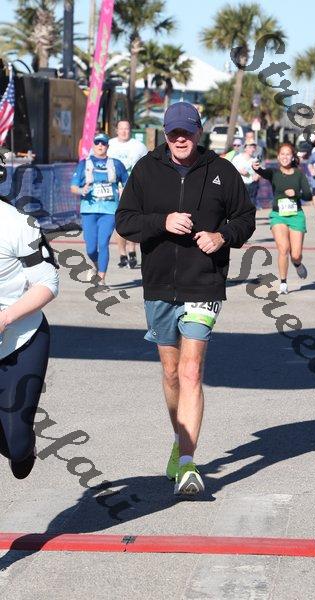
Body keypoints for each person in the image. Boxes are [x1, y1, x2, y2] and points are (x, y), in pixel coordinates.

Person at [116, 101, 255, 496]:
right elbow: (124, 221)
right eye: (173, 133)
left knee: (192, 371)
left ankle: (189, 463)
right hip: (159, 284)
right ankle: (180, 440)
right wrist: (161, 221)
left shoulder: (221, 171)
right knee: (171, 372)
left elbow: (245, 218)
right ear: (165, 134)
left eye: (187, 132)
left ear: (198, 132)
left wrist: (222, 236)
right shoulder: (146, 169)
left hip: (203, 282)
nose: (180, 139)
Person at [0, 179, 59, 479]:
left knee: (17, 447)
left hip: (20, 339)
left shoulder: (18, 223)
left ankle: (24, 444)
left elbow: (48, 283)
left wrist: (5, 318)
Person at [253, 143, 312, 294]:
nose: (285, 157)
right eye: (282, 154)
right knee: (283, 249)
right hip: (278, 215)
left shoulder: (299, 174)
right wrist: (256, 168)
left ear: (292, 157)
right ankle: (283, 283)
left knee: (296, 255)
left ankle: (297, 264)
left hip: (296, 216)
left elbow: (308, 195)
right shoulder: (274, 173)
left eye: (288, 154)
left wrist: (296, 194)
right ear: (278, 157)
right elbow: (262, 172)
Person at [70, 133, 128, 287]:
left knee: (103, 244)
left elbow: (127, 183)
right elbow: (73, 187)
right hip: (89, 210)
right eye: (97, 143)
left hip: (109, 211)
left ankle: (101, 279)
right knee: (90, 248)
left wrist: (124, 193)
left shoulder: (116, 164)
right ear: (93, 145)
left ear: (108, 146)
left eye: (103, 143)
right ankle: (96, 266)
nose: (100, 146)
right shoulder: (84, 164)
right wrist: (81, 190)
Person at [108, 121, 148, 269]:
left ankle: (132, 250)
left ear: (130, 130)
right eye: (121, 129)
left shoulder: (139, 146)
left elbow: (148, 165)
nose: (124, 131)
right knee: (119, 222)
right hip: (114, 190)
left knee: (133, 220)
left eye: (127, 129)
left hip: (134, 188)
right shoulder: (109, 145)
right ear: (116, 130)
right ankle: (122, 254)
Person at [232, 141, 260, 208]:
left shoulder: (255, 160)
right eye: (250, 147)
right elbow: (230, 170)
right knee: (239, 205)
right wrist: (239, 171)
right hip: (240, 185)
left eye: (253, 147)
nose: (252, 149)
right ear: (245, 148)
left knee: (251, 205)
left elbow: (260, 171)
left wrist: (258, 175)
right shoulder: (237, 158)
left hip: (252, 185)